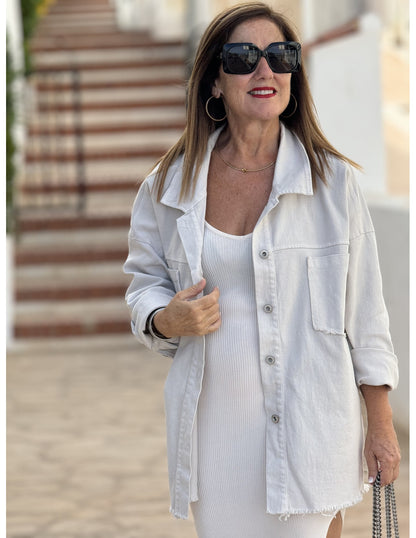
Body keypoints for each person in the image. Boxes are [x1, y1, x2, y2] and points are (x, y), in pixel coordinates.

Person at [123, 3, 400, 537]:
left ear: (294, 75)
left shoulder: (334, 186)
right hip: (215, 441)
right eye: (243, 56)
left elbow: (367, 318)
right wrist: (166, 319)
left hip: (312, 430)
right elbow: (144, 286)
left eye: (280, 56)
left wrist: (381, 428)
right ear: (215, 82)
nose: (264, 69)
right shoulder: (167, 189)